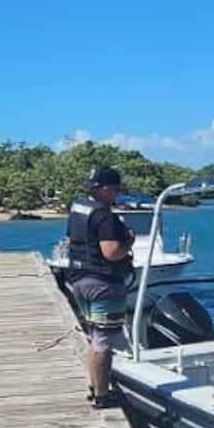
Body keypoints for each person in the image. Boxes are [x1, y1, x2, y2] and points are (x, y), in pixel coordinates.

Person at [62, 165, 137, 408]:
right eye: (116, 189)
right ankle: (103, 396)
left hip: (79, 280)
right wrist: (128, 241)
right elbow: (111, 252)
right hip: (103, 284)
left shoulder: (78, 209)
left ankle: (95, 388)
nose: (118, 193)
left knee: (94, 337)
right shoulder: (105, 216)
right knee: (103, 341)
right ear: (104, 190)